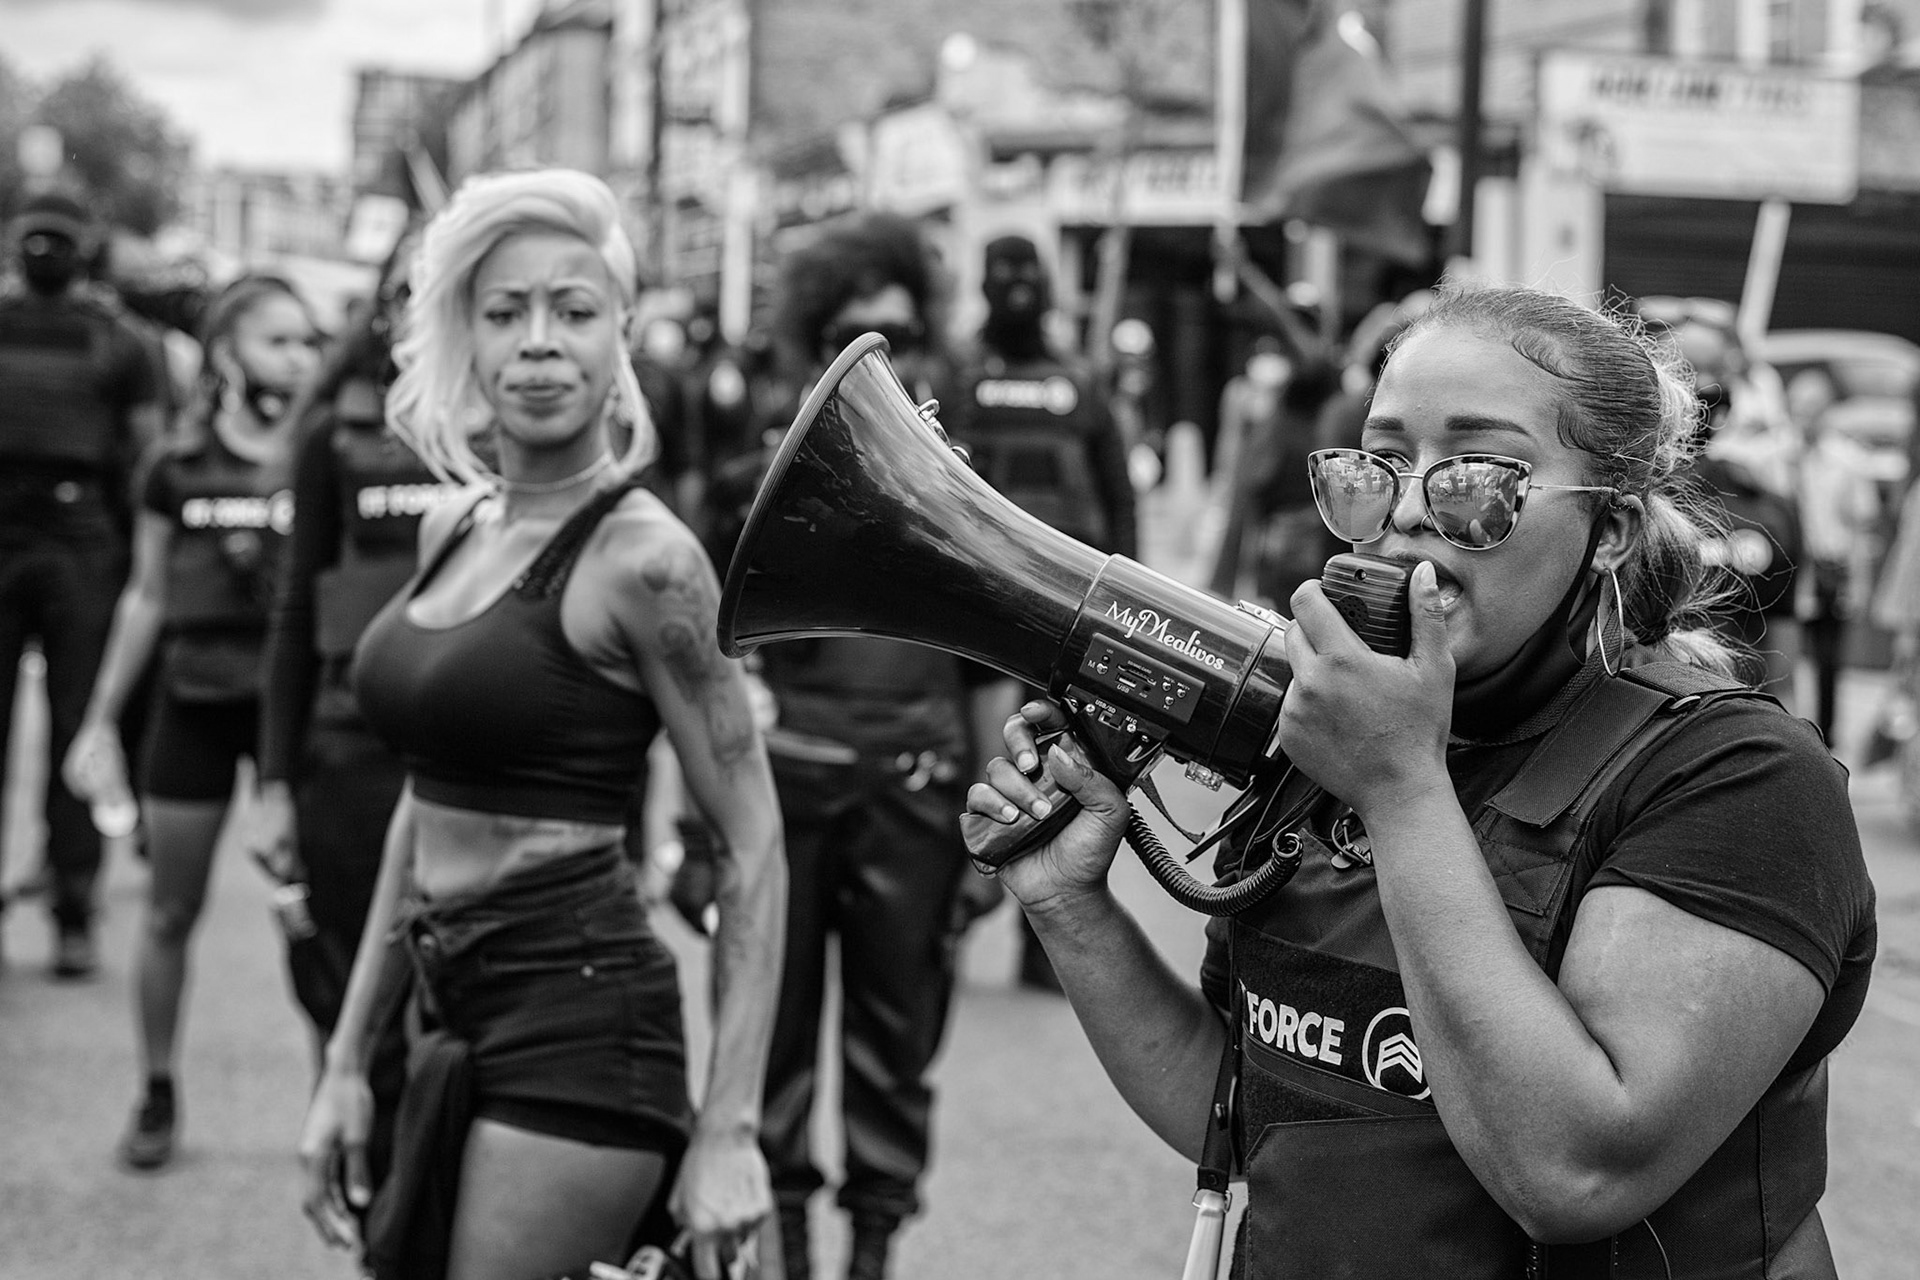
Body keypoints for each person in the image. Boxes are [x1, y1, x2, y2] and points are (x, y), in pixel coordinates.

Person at [966, 284, 1876, 1278]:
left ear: (1608, 529)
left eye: (1475, 479)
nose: (1402, 513)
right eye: (1376, 466)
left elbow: (1573, 1170)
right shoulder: (1341, 736)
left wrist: (1398, 783)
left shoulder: (1735, 778)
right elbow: (1248, 1110)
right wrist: (1069, 907)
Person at [294, 169, 784, 1280]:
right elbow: (423, 804)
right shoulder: (454, 528)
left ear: (620, 330)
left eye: (574, 308)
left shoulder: (649, 561)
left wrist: (730, 1125)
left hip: (583, 1015)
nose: (539, 342)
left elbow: (751, 843)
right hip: (443, 1001)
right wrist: (343, 1057)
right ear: (463, 333)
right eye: (505, 310)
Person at [748, 212, 1002, 1280]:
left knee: (897, 1044)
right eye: (857, 332)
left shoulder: (960, 473)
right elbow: (717, 659)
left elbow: (993, 655)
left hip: (918, 780)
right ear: (818, 341)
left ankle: (872, 1251)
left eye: (900, 332)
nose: (881, 350)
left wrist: (996, 817)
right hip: (790, 785)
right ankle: (786, 1238)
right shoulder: (756, 468)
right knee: (776, 1031)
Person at [64, 274, 319, 1168]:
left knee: (321, 915)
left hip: (297, 712)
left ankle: (339, 1100)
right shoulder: (174, 464)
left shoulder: (321, 454)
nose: (301, 358)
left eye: (308, 341)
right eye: (280, 341)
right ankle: (158, 1090)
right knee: (169, 912)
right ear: (226, 355)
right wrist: (98, 719)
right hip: (194, 703)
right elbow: (143, 594)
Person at [948, 232, 1136, 992]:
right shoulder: (958, 375)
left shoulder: (1079, 380)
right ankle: (955, 910)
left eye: (1032, 272)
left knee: (1062, 763)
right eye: (1005, 272)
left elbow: (1118, 495)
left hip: (1071, 611)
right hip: (979, 605)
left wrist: (1129, 602)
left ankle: (1041, 943)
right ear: (984, 283)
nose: (1020, 286)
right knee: (984, 759)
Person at [0, 191, 168, 976]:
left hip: (82, 541)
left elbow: (147, 460)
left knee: (78, 727)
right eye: (33, 240)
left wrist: (144, 562)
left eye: (55, 241)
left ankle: (74, 907)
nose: (43, 253)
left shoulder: (121, 342)